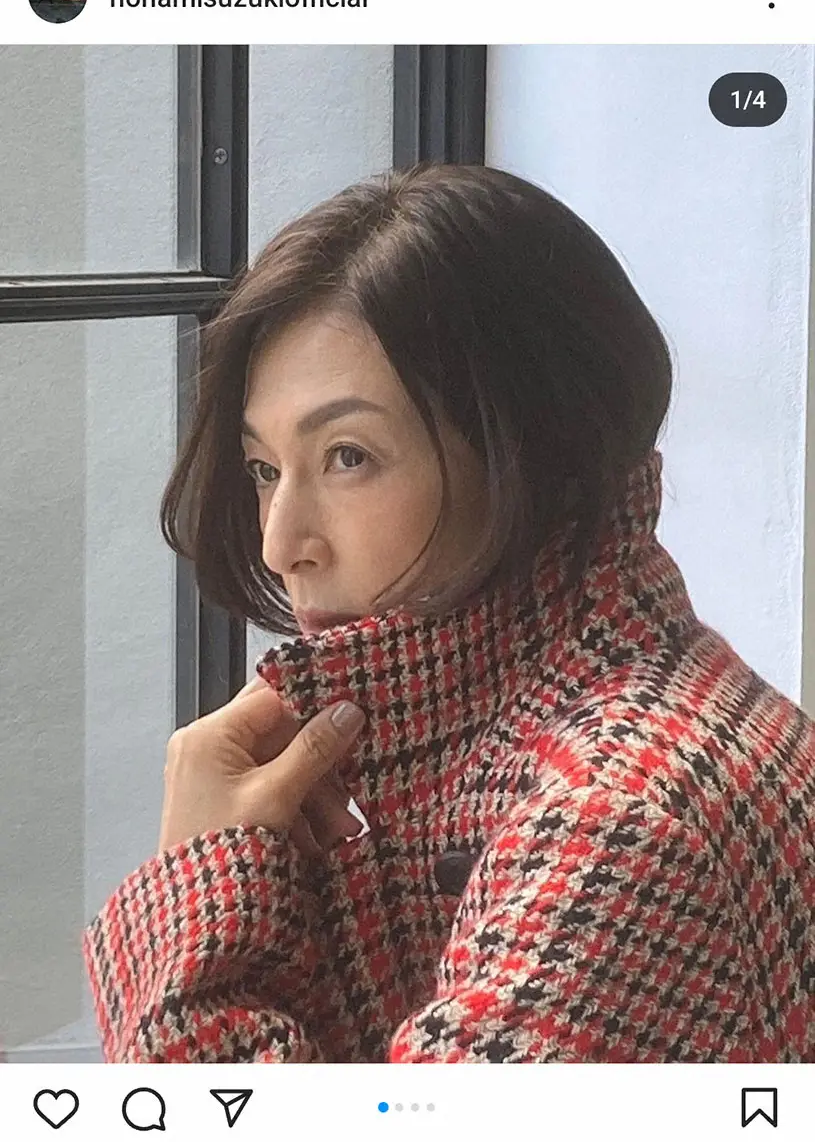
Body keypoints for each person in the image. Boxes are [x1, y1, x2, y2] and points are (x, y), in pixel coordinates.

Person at [83, 162, 815, 1062]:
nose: (280, 543)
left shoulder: (615, 823)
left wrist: (196, 913)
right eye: (264, 469)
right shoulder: (596, 730)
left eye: (348, 456)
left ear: (538, 456)